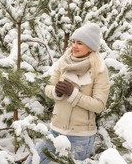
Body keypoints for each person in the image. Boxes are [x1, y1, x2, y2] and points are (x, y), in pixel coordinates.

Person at [26, 23, 110, 164]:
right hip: (56, 131)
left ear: (90, 47)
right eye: (73, 42)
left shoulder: (99, 69)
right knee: (32, 161)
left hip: (81, 136)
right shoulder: (63, 62)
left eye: (80, 43)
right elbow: (49, 87)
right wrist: (56, 92)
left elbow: (99, 105)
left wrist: (73, 94)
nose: (74, 46)